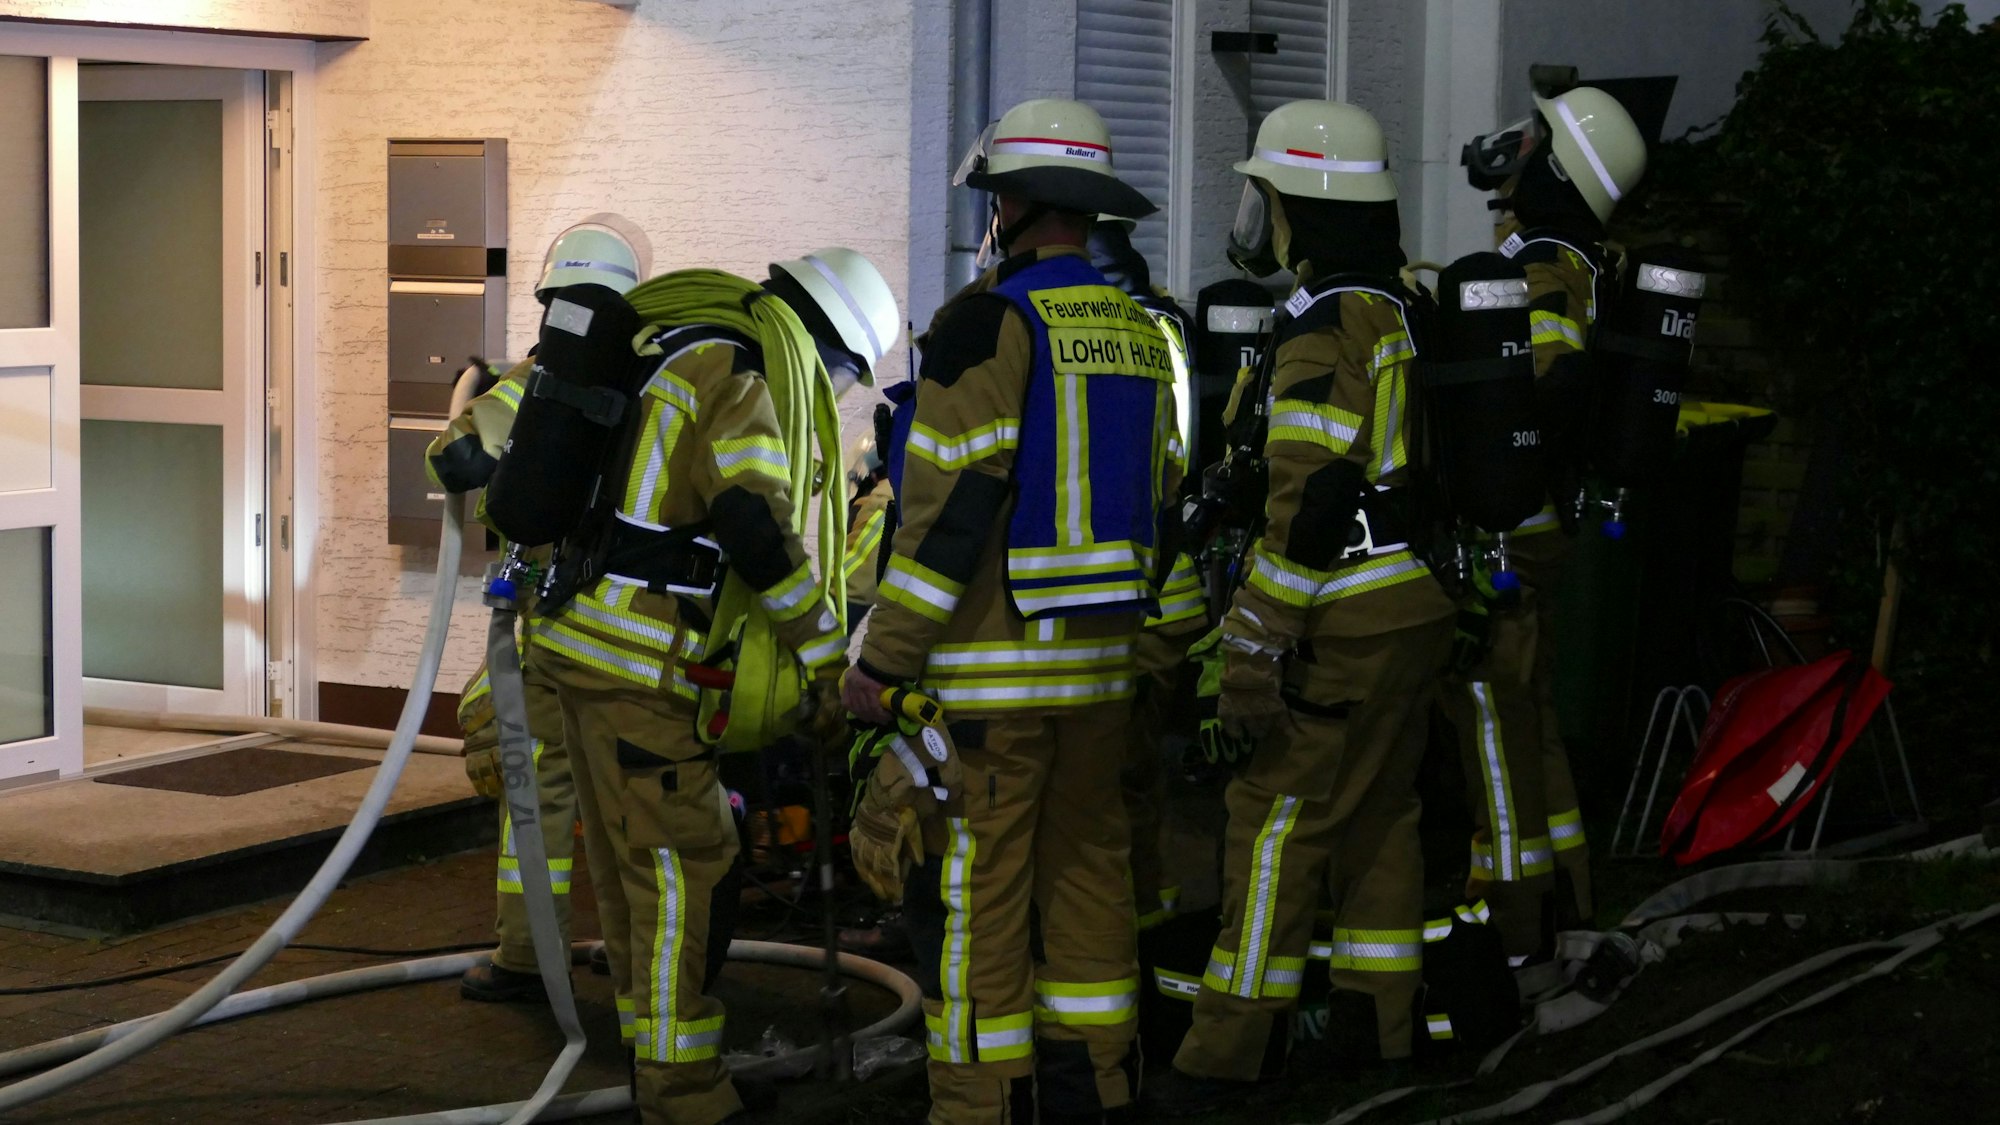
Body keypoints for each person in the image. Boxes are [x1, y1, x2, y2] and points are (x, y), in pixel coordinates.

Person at [841, 97, 1176, 1124]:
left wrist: (881, 661)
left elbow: (949, 513)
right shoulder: (1139, 329)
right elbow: (1161, 493)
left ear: (1017, 203)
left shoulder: (986, 324)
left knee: (975, 900)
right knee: (1089, 881)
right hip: (1103, 676)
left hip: (996, 686)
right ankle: (1097, 1088)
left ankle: (981, 1104)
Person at [527, 246, 899, 1125]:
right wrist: (822, 652)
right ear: (830, 344)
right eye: (845, 376)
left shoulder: (672, 343)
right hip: (641, 664)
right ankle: (681, 1084)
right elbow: (752, 522)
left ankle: (645, 1041)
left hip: (575, 640)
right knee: (681, 872)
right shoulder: (740, 376)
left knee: (628, 865)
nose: (835, 392)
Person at [1156, 99, 1455, 1108]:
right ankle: (1379, 1028)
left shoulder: (1326, 325)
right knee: (1381, 818)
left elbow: (1310, 502)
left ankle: (1225, 1055)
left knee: (1276, 820)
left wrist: (1252, 644)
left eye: (1271, 200)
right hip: (1414, 607)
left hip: (1346, 619)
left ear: (1306, 210)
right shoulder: (1398, 304)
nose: (1262, 221)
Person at [1448, 85, 1647, 957]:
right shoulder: (1584, 259)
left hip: (1512, 528)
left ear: (1562, 171)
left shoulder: (1542, 265)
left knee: (1493, 722)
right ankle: (1567, 892)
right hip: (1547, 522)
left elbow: (1543, 374)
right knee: (1530, 720)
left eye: (1539, 142)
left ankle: (1511, 924)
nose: (1518, 151)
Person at [425, 222, 644, 1003]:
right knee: (636, 800)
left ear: (552, 297)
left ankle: (525, 954)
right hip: (646, 633)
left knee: (541, 786)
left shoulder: (543, 376)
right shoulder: (667, 376)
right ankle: (637, 963)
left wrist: (475, 395)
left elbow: (454, 460)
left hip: (558, 624)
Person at [1089, 214, 1207, 931]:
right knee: (1129, 775)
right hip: (1156, 592)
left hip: (1147, 598)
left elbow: (1159, 470)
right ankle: (1145, 912)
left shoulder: (1136, 333)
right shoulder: (1154, 322)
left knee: (1115, 777)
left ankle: (1132, 930)